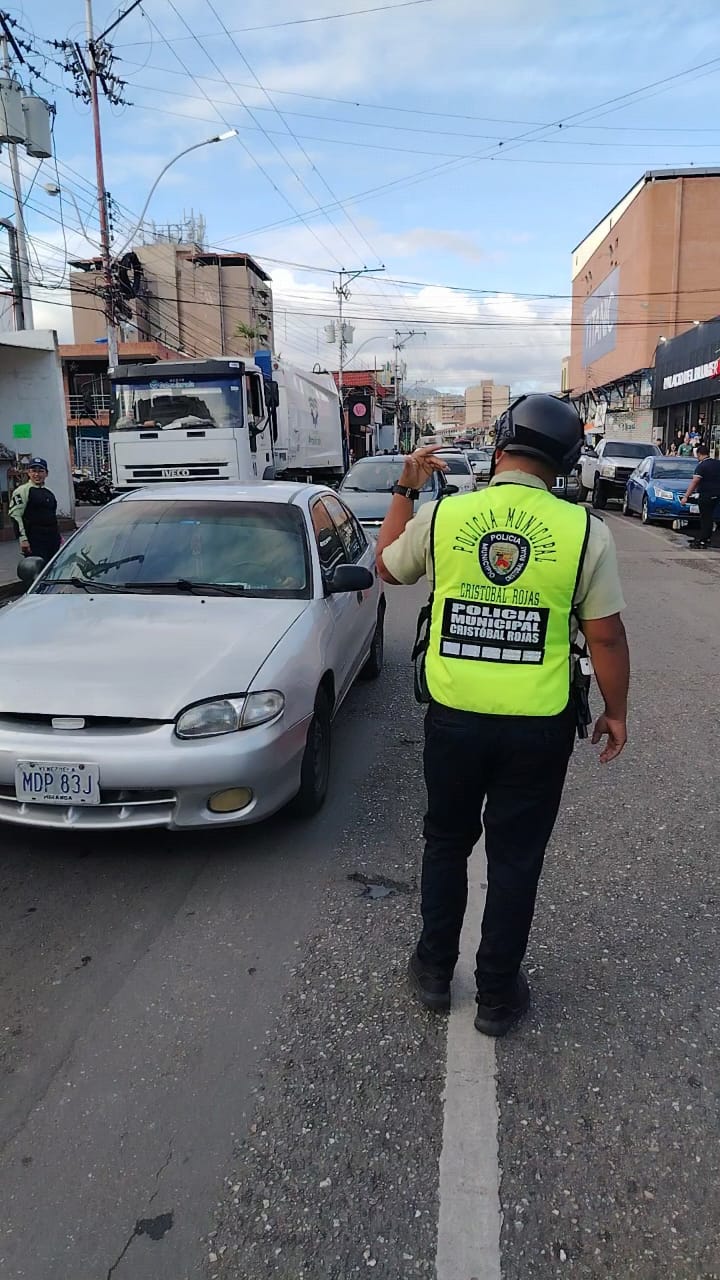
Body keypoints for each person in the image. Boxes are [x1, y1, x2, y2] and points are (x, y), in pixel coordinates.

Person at [376, 395, 630, 1037]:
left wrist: (405, 490)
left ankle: (434, 972)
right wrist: (615, 710)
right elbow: (605, 637)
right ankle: (495, 995)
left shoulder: (443, 514)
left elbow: (388, 568)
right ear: (569, 461)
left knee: (446, 841)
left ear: (499, 447)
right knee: (516, 859)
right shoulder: (584, 532)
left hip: (454, 716)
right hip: (538, 726)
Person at [9, 458, 62, 564]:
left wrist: (59, 538)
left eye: (41, 471)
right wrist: (23, 539)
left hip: (52, 539)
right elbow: (15, 516)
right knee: (36, 570)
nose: (37, 474)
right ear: (29, 473)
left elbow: (52, 517)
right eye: (34, 471)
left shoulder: (49, 493)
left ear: (46, 473)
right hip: (35, 539)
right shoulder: (22, 491)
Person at [681, 443, 720, 548]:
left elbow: (695, 482)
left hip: (706, 496)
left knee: (705, 518)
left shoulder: (701, 466)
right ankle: (708, 538)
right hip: (718, 496)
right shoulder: (717, 463)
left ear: (699, 454)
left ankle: (703, 540)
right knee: (714, 518)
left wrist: (686, 496)